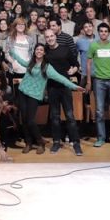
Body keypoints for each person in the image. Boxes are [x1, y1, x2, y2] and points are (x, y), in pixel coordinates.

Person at [8, 42, 80, 153]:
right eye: (37, 50)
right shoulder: (31, 63)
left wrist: (74, 86)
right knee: (25, 120)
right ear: (34, 51)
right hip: (22, 92)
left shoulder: (47, 67)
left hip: (34, 95)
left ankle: (40, 141)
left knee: (31, 120)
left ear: (44, 52)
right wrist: (12, 52)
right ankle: (28, 143)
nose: (39, 51)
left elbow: (61, 78)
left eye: (41, 50)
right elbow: (21, 61)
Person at [42, 22, 83, 156]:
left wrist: (74, 69)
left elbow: (76, 64)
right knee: (54, 117)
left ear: (55, 36)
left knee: (70, 116)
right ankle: (56, 142)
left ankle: (76, 143)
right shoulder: (44, 52)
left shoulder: (65, 49)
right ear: (45, 39)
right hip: (52, 88)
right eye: (47, 37)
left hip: (65, 87)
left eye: (51, 36)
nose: (50, 38)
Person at [86, 22, 110, 149]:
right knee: (99, 111)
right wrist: (88, 81)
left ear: (108, 33)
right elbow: (88, 64)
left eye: (105, 31)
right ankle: (101, 138)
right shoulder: (93, 46)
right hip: (98, 81)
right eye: (101, 31)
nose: (103, 33)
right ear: (98, 33)